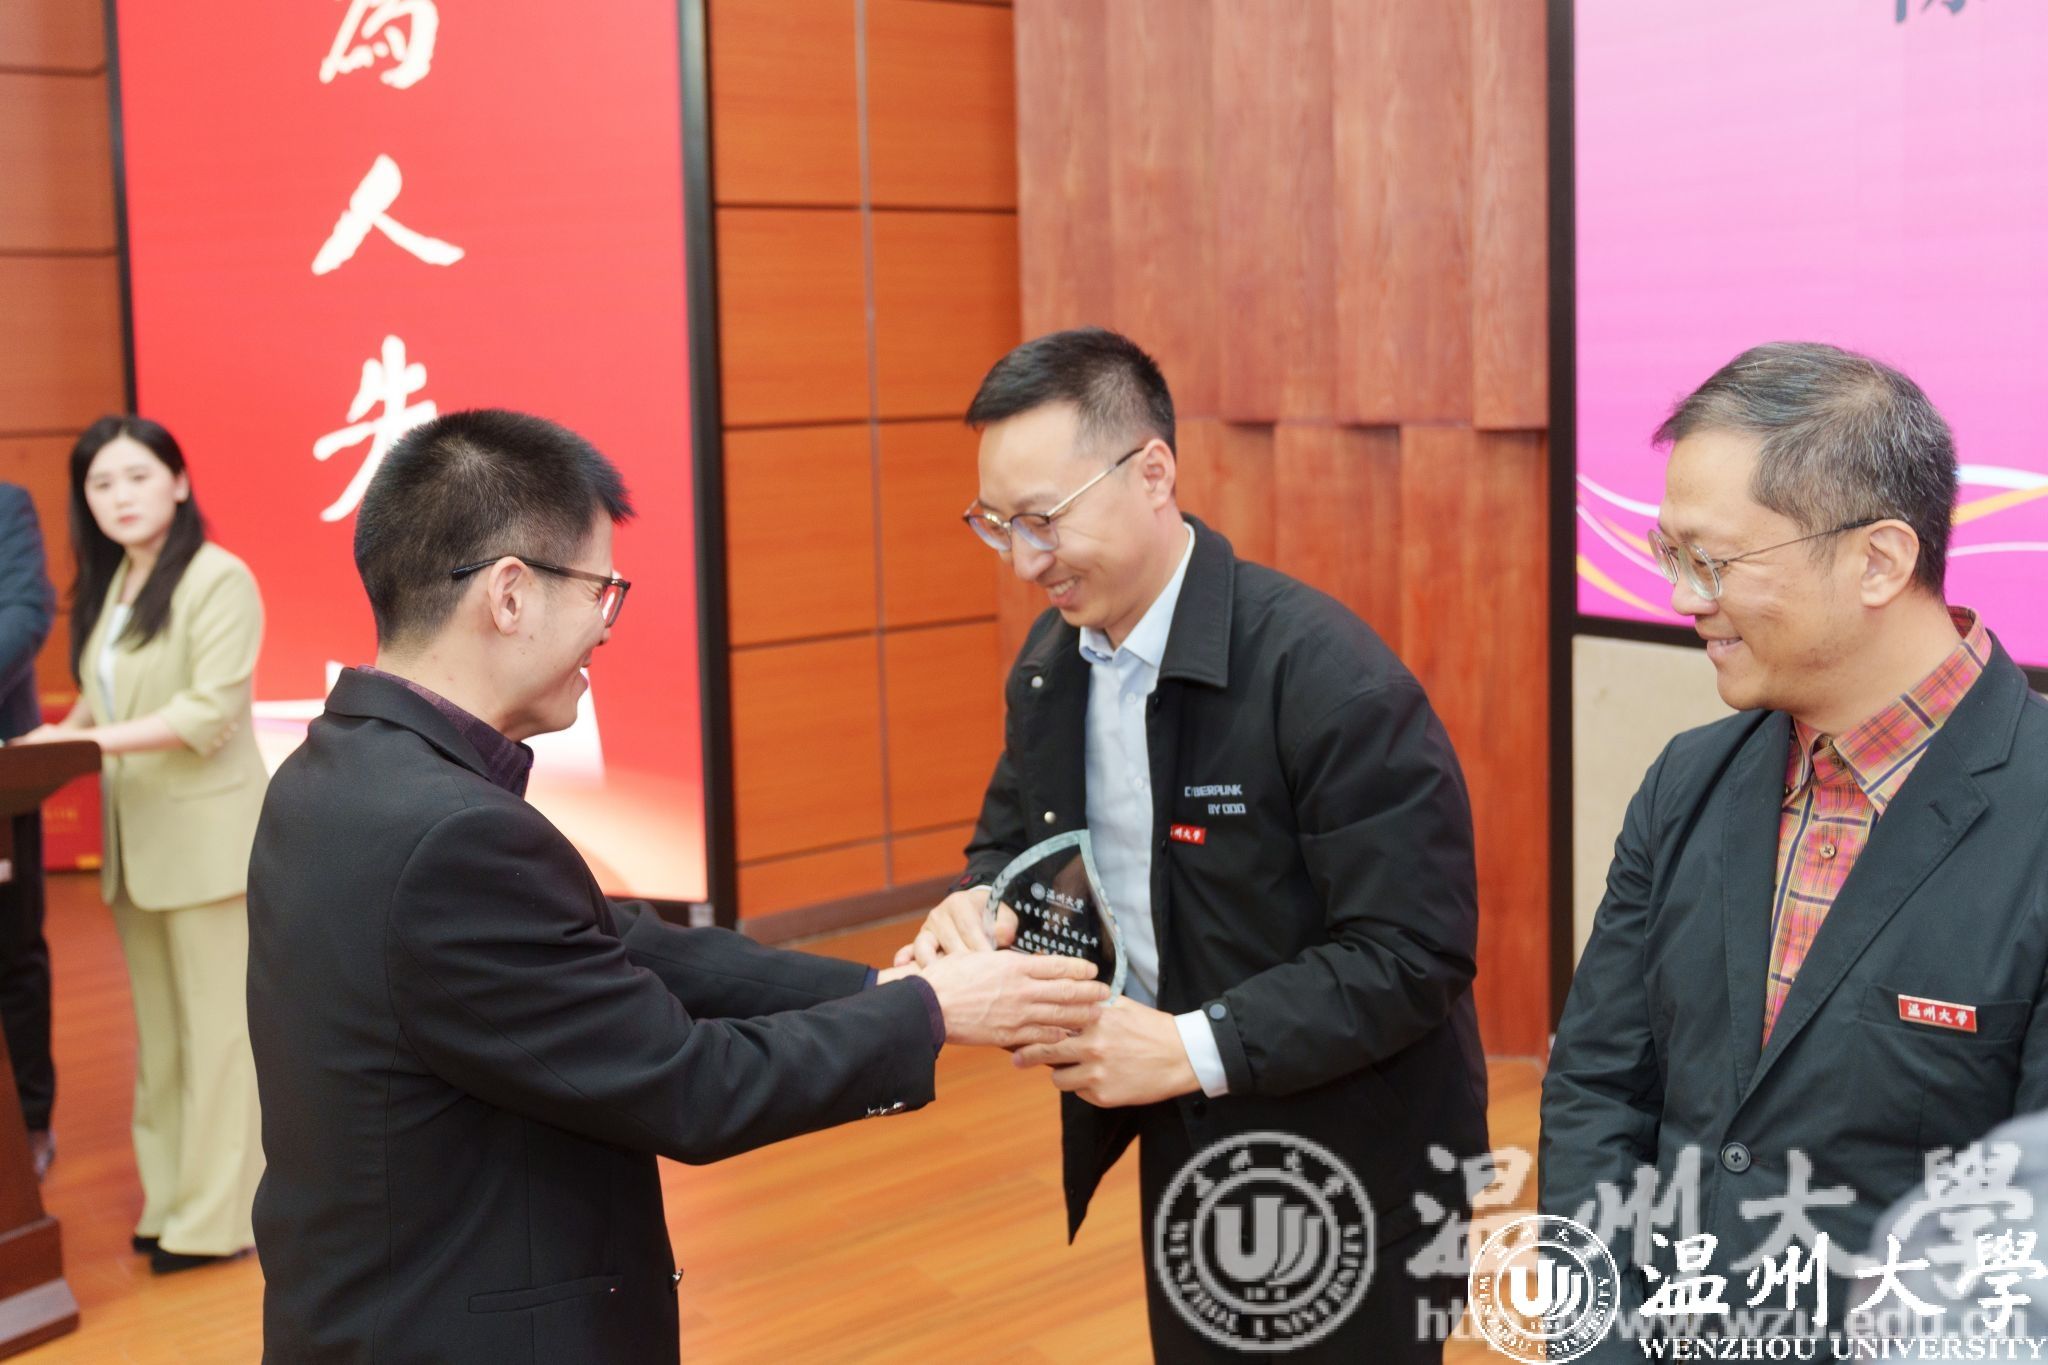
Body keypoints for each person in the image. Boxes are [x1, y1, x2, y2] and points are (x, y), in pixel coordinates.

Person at [246, 408, 1107, 1365]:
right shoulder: (451, 833)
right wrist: (931, 1011)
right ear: (509, 594)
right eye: (600, 590)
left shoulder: (332, 771)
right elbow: (691, 1087)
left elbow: (609, 945)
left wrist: (880, 985)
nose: (604, 628)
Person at [901, 328, 1489, 1361]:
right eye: (998, 526)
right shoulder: (1054, 666)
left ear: (1152, 473)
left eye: (1043, 519)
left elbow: (1413, 953)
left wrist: (1183, 1047)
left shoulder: (1326, 680)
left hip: (1358, 1154)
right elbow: (1014, 839)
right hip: (1184, 1129)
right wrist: (980, 904)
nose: (1025, 561)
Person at [1540, 343, 2048, 1356]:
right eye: (1670, 554)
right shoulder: (1688, 782)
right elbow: (1598, 1091)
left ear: (1878, 560)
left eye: (1714, 562)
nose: (1684, 598)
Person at [17, 417, 267, 1274]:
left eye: (137, 476)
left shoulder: (218, 577)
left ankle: (219, 1218)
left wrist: (75, 744)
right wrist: (45, 741)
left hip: (209, 846)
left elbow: (207, 713)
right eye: (100, 483)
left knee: (220, 1040)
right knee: (161, 1042)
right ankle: (169, 1201)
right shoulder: (115, 582)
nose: (119, 497)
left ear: (179, 482)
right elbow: (100, 701)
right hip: (139, 847)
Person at [0, 482, 57, 1176]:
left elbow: (23, 612)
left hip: (2, 767)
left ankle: (29, 1121)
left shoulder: (6, 503)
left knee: (11, 952)